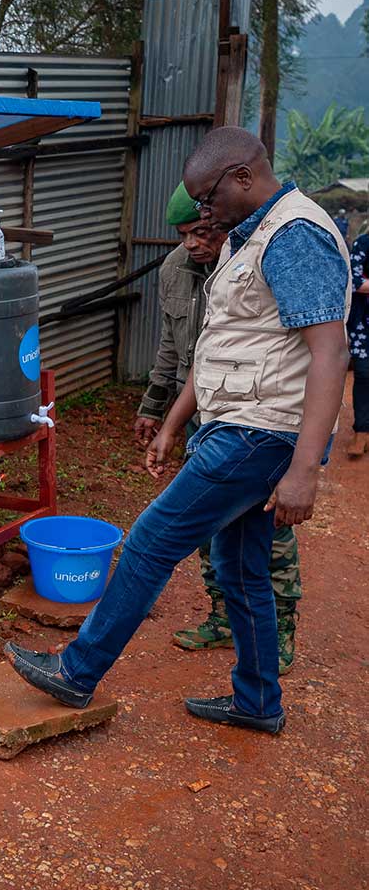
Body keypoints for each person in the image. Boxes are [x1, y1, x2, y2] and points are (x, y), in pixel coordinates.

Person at [6, 127, 350, 734]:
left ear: (243, 176)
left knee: (149, 542)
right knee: (242, 570)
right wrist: (173, 423)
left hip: (259, 434)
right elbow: (224, 346)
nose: (203, 213)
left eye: (207, 199)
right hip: (242, 425)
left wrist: (303, 470)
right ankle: (258, 702)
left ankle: (77, 671)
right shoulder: (255, 238)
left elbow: (330, 352)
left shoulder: (294, 235)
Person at [135, 182, 302, 675]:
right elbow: (172, 348)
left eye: (201, 231)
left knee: (267, 529)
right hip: (201, 417)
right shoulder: (174, 271)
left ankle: (281, 630)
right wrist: (154, 408)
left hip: (255, 420)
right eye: (183, 234)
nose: (192, 243)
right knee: (208, 528)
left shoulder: (256, 265)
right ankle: (223, 619)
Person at [345, 230, 369, 456]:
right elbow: (355, 281)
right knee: (363, 374)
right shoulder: (364, 242)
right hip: (363, 324)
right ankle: (361, 432)